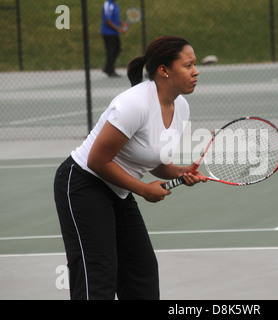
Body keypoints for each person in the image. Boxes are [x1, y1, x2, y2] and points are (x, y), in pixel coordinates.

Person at [53, 35, 205, 300]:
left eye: (195, 65)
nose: (196, 71)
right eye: (188, 65)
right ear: (164, 71)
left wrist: (181, 172)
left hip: (118, 190)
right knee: (97, 274)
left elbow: (152, 159)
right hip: (82, 184)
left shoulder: (181, 107)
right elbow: (97, 161)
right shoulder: (134, 104)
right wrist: (144, 190)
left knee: (141, 271)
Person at [101, 0, 128, 77]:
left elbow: (114, 19)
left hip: (114, 33)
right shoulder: (108, 5)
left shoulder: (115, 4)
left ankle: (108, 67)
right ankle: (109, 69)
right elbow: (108, 20)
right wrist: (118, 29)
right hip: (108, 33)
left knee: (117, 49)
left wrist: (121, 23)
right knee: (111, 51)